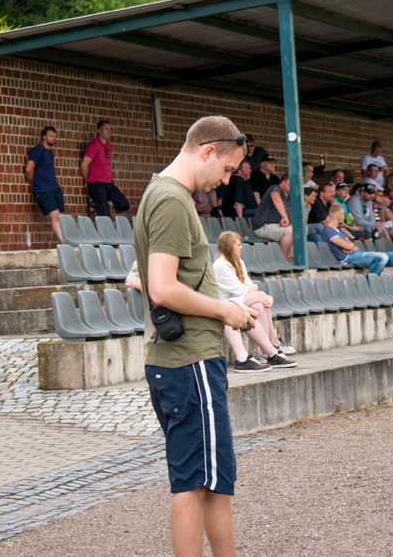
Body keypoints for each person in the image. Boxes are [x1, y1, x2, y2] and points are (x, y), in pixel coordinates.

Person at [134, 116, 256, 557]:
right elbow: (162, 286)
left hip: (186, 361)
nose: (224, 182)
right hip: (188, 362)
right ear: (207, 151)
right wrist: (225, 309)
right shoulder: (170, 199)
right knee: (194, 481)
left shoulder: (166, 195)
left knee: (214, 479)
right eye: (225, 170)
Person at [213, 231, 297, 371]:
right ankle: (273, 342)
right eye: (238, 245)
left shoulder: (239, 262)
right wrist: (260, 292)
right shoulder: (220, 266)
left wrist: (259, 294)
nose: (241, 247)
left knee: (259, 304)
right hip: (225, 304)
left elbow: (247, 285)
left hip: (239, 302)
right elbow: (242, 290)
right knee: (260, 299)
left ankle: (269, 353)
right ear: (229, 246)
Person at [322, 203, 393, 274]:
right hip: (348, 258)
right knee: (381, 258)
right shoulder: (328, 230)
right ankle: (368, 285)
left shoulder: (339, 230)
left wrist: (349, 246)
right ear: (337, 217)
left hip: (355, 254)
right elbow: (349, 245)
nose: (344, 217)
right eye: (343, 215)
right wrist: (349, 247)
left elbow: (353, 246)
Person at [82, 120, 131, 218]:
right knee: (105, 215)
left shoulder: (108, 146)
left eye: (110, 129)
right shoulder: (94, 145)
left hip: (108, 183)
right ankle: (105, 232)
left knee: (124, 204)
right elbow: (84, 165)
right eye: (106, 129)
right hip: (97, 183)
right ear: (99, 131)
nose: (109, 131)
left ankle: (96, 202)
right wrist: (87, 181)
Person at [25, 126, 64, 244]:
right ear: (44, 136)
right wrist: (33, 183)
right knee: (55, 216)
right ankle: (65, 243)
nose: (54, 138)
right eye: (51, 136)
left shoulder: (50, 153)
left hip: (55, 188)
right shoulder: (38, 150)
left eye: (55, 136)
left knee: (62, 217)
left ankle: (67, 240)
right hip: (43, 189)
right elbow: (29, 169)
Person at [252, 175, 294, 261]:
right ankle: (284, 261)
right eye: (291, 183)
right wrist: (284, 216)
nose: (293, 186)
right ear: (283, 182)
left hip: (277, 227)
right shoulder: (275, 188)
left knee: (302, 229)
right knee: (291, 231)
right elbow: (275, 197)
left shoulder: (289, 198)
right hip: (263, 227)